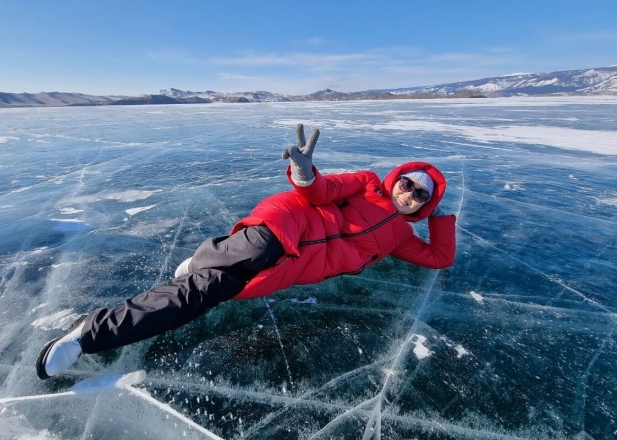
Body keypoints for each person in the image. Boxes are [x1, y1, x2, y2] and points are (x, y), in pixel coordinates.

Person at [36, 124, 456, 380]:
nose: (410, 193)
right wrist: (304, 171)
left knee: (201, 297)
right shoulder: (366, 182)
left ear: (425, 204)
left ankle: (91, 329)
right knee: (209, 281)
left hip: (290, 269)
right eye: (408, 182)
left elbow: (440, 259)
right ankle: (94, 331)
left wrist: (442, 219)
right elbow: (321, 190)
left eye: (422, 194)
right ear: (396, 178)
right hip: (282, 228)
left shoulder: (403, 239)